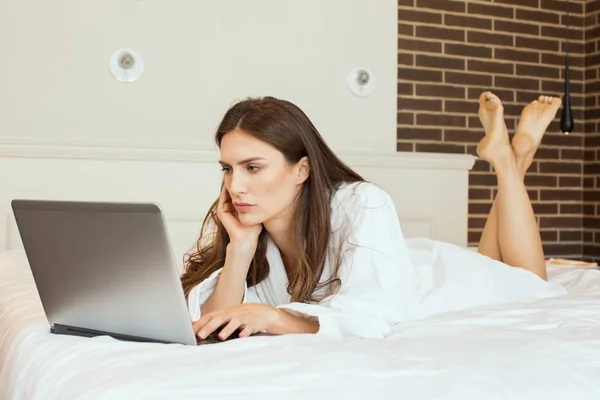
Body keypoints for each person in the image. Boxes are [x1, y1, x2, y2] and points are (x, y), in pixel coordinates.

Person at [180, 92, 562, 341]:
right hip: (406, 263)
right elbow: (212, 325)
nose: (236, 186)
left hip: (443, 282)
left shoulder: (362, 202)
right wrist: (240, 250)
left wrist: (273, 317)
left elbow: (368, 318)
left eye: (253, 167)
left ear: (302, 169)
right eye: (227, 169)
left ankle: (509, 158)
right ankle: (512, 155)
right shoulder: (251, 233)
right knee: (495, 256)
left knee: (531, 281)